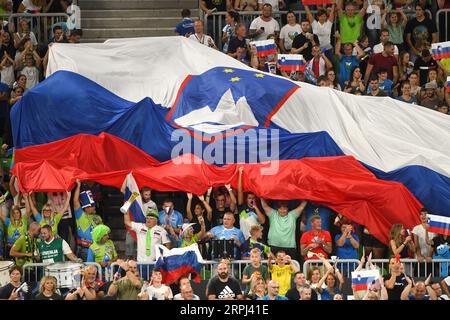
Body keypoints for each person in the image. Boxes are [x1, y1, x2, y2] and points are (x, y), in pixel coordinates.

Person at [73, 179, 103, 260]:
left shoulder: (97, 217)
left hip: (97, 248)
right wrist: (78, 186)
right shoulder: (80, 215)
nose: (93, 207)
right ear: (85, 208)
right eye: (90, 206)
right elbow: (75, 202)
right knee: (87, 271)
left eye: (93, 205)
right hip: (84, 248)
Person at [237, 167, 266, 240]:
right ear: (246, 199)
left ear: (255, 199)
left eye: (253, 198)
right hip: (243, 239)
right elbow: (239, 191)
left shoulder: (259, 209)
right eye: (249, 198)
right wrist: (240, 173)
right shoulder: (242, 206)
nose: (251, 200)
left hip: (256, 239)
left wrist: (255, 208)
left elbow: (263, 221)